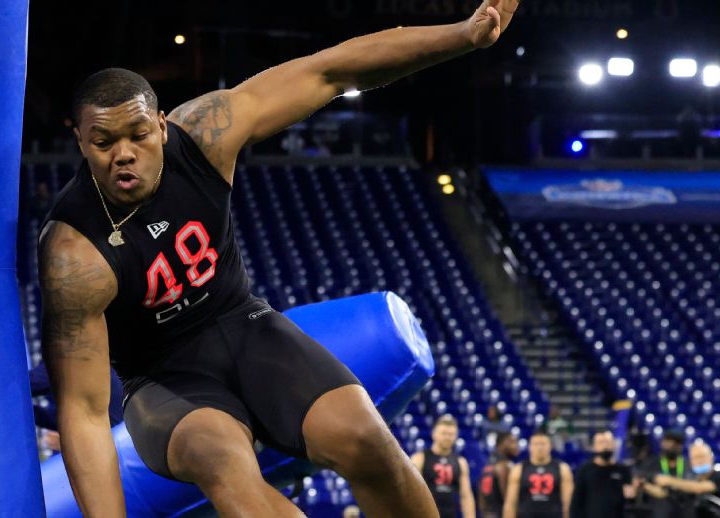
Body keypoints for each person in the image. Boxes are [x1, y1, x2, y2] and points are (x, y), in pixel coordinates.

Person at [37, 1, 521, 514]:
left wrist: (463, 35)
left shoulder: (205, 133)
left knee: (366, 439)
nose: (124, 154)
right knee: (221, 458)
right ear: (81, 143)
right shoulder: (74, 253)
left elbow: (330, 70)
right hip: (163, 381)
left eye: (138, 134)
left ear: (161, 125)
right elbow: (85, 412)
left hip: (247, 326)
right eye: (104, 142)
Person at [412, 416, 476, 518]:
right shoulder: (420, 459)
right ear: (434, 434)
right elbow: (412, 493)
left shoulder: (460, 462)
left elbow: (466, 496)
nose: (447, 437)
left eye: (451, 434)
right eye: (444, 433)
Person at [651, 443, 720, 518]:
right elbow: (667, 494)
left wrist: (669, 480)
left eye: (702, 456)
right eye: (695, 458)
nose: (699, 461)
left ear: (711, 457)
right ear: (691, 461)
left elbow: (700, 488)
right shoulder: (692, 479)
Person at [503, 432, 572, 518]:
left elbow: (568, 503)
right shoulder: (518, 469)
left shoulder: (562, 468)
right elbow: (511, 503)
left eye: (543, 444)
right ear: (529, 447)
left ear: (550, 446)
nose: (539, 447)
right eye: (535, 444)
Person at [571, 430, 634, 518]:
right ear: (594, 447)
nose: (605, 446)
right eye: (601, 443)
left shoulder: (623, 470)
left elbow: (630, 499)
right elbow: (576, 501)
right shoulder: (585, 469)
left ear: (614, 445)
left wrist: (632, 493)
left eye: (608, 442)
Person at [639, 430, 692, 518]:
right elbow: (639, 480)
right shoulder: (651, 463)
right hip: (658, 512)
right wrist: (650, 488)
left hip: (684, 512)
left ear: (681, 446)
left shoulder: (688, 465)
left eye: (676, 442)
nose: (672, 445)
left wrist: (670, 482)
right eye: (668, 441)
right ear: (662, 442)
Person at [480, 432, 519, 518]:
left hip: (488, 513)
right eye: (512, 442)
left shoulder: (488, 463)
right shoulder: (505, 465)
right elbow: (508, 497)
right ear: (502, 444)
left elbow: (481, 497)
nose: (516, 445)